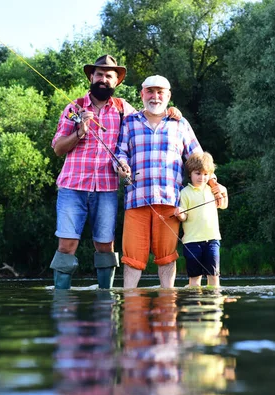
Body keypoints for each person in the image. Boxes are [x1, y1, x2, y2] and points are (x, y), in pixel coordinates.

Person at [116, 75, 226, 289]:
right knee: (132, 258)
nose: (155, 97)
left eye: (160, 92)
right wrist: (120, 165)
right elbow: (120, 152)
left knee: (167, 257)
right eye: (150, 91)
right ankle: (131, 304)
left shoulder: (180, 123)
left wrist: (214, 184)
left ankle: (167, 308)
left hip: (169, 202)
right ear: (142, 94)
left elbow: (198, 158)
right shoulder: (129, 121)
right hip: (136, 200)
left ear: (168, 96)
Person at [49, 54, 136, 290]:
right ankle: (61, 298)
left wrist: (172, 113)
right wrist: (80, 131)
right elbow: (57, 148)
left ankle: (105, 299)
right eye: (99, 74)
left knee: (105, 245)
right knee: (67, 244)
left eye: (109, 76)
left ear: (116, 82)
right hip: (72, 187)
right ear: (91, 76)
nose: (103, 79)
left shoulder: (124, 110)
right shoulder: (73, 107)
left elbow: (143, 132)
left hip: (107, 189)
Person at [173, 152, 227, 287]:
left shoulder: (212, 190)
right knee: (194, 279)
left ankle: (214, 305)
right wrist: (180, 214)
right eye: (198, 174)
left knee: (214, 277)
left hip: (212, 239)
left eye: (205, 174)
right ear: (190, 173)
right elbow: (184, 217)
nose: (202, 177)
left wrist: (223, 191)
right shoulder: (184, 192)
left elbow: (223, 205)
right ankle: (194, 306)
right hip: (192, 242)